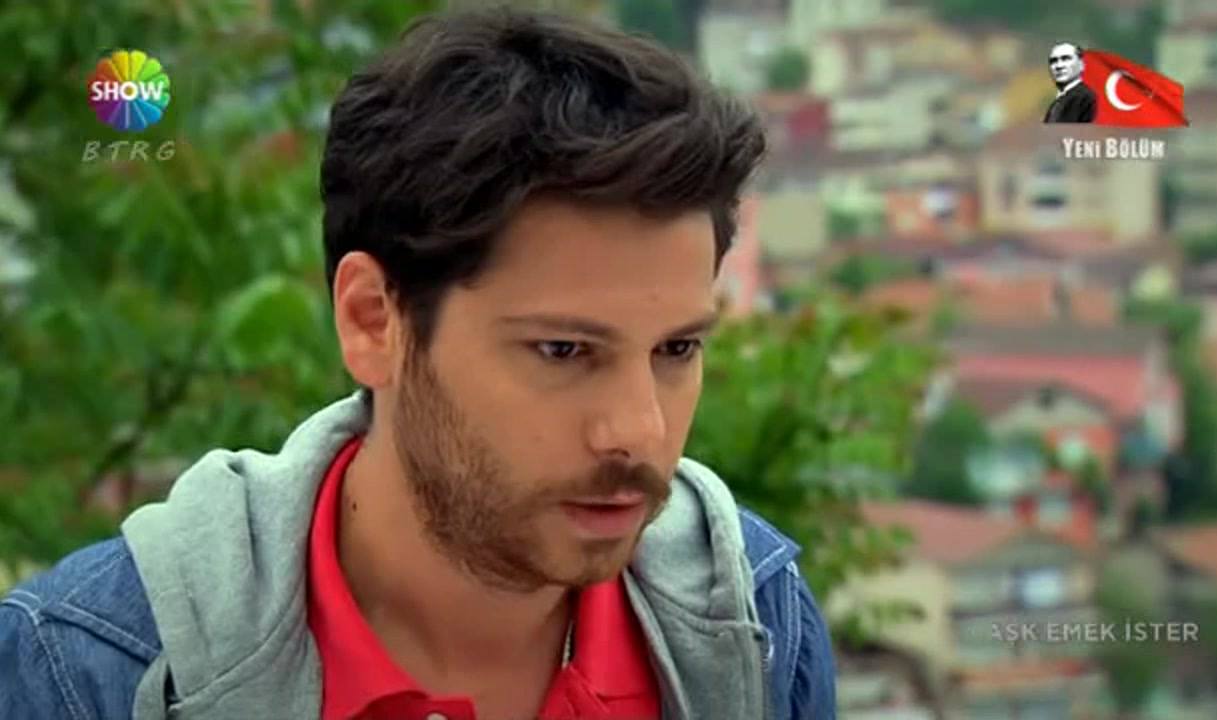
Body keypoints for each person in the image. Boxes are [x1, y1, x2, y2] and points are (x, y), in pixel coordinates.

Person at [0, 8, 836, 720]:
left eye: (676, 349)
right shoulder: (84, 672)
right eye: (564, 351)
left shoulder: (755, 624)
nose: (640, 431)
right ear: (374, 321)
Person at [1044, 42, 1097, 123]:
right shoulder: (1059, 101)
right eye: (1053, 61)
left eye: (1065, 59)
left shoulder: (1084, 97)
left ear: (1081, 65)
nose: (1059, 66)